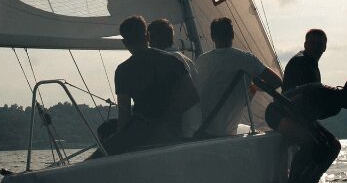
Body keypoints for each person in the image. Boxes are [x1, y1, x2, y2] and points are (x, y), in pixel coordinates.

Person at [99, 15, 196, 155]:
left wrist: (120, 143)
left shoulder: (123, 70)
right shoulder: (173, 61)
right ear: (148, 36)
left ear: (125, 43)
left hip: (141, 134)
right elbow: (191, 98)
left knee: (101, 143)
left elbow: (124, 114)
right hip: (172, 132)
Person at [193, 17, 269, 137]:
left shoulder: (201, 61)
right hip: (227, 133)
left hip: (201, 132)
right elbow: (276, 81)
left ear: (212, 37)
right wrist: (252, 89)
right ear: (232, 35)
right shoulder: (246, 59)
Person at [265, 28, 326, 132]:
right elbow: (297, 98)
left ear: (324, 47)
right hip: (287, 115)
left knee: (333, 143)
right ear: (305, 44)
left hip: (295, 115)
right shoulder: (301, 63)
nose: (316, 47)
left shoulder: (309, 63)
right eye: (312, 43)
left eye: (319, 44)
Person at [146, 18, 198, 136]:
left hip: (179, 133)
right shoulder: (188, 61)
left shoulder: (164, 63)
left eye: (149, 39)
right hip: (195, 128)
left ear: (153, 40)